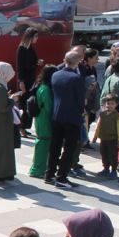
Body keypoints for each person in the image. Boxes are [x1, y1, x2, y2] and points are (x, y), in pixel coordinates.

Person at [46, 51, 85, 189]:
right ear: (77, 63)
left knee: (55, 145)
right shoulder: (76, 78)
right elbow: (80, 101)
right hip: (72, 116)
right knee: (69, 149)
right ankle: (61, 177)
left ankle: (50, 174)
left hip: (57, 115)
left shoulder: (55, 74)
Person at [28, 65, 57, 178]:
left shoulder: (41, 86)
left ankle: (39, 167)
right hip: (45, 118)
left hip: (40, 118)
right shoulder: (46, 89)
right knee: (43, 143)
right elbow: (49, 107)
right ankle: (38, 169)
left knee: (42, 142)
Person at [16, 28, 41, 137]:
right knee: (23, 103)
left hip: (31, 78)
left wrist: (37, 62)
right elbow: (20, 67)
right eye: (35, 36)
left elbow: (32, 62)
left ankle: (25, 126)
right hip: (25, 79)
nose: (37, 39)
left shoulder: (31, 48)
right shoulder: (22, 48)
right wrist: (21, 81)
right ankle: (21, 127)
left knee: (29, 103)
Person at [92, 94, 119, 177]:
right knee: (104, 154)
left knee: (113, 155)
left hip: (113, 139)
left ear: (116, 105)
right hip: (103, 138)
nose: (109, 105)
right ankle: (106, 169)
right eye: (108, 103)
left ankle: (113, 170)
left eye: (112, 104)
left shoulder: (117, 116)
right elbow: (98, 126)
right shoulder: (102, 114)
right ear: (105, 104)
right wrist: (95, 136)